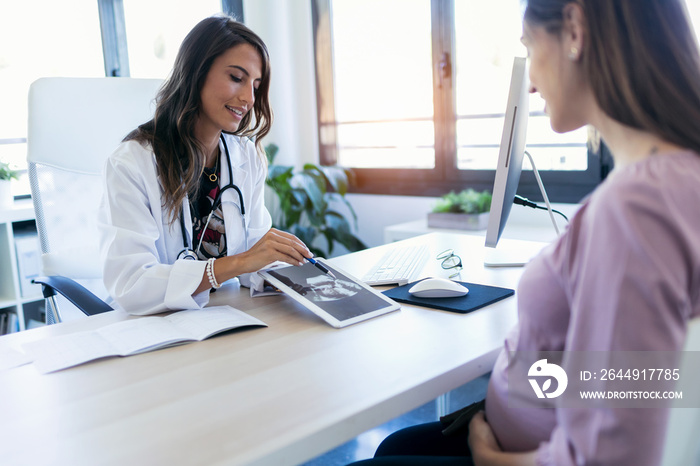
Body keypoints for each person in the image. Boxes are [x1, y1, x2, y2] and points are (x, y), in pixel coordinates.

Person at [349, 0, 700, 465]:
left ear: (574, 29)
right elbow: (642, 380)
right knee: (397, 446)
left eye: (529, 47)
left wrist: (494, 459)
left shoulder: (634, 208)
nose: (530, 82)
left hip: (519, 454)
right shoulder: (676, 179)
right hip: (533, 424)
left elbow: (614, 456)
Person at [98, 15, 312, 315]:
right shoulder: (132, 164)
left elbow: (254, 254)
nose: (249, 98)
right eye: (237, 78)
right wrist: (234, 265)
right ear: (196, 72)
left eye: (256, 85)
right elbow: (132, 284)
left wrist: (282, 267)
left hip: (221, 316)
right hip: (152, 328)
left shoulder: (244, 156)